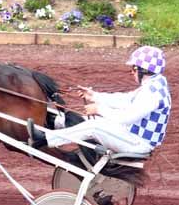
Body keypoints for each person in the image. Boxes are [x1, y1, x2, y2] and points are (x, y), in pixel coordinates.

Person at [27, 46, 171, 155]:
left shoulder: (152, 94)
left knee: (94, 126)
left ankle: (44, 139)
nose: (131, 72)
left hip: (138, 143)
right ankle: (53, 123)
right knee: (92, 121)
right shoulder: (154, 84)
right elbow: (125, 100)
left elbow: (126, 118)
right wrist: (94, 96)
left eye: (133, 69)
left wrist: (99, 109)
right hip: (132, 136)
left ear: (143, 70)